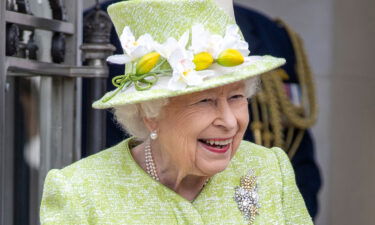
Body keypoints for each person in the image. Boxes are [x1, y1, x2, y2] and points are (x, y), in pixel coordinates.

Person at [40, 0, 312, 224]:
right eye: (205, 101)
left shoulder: (269, 169)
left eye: (237, 97)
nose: (230, 122)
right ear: (150, 112)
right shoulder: (80, 193)